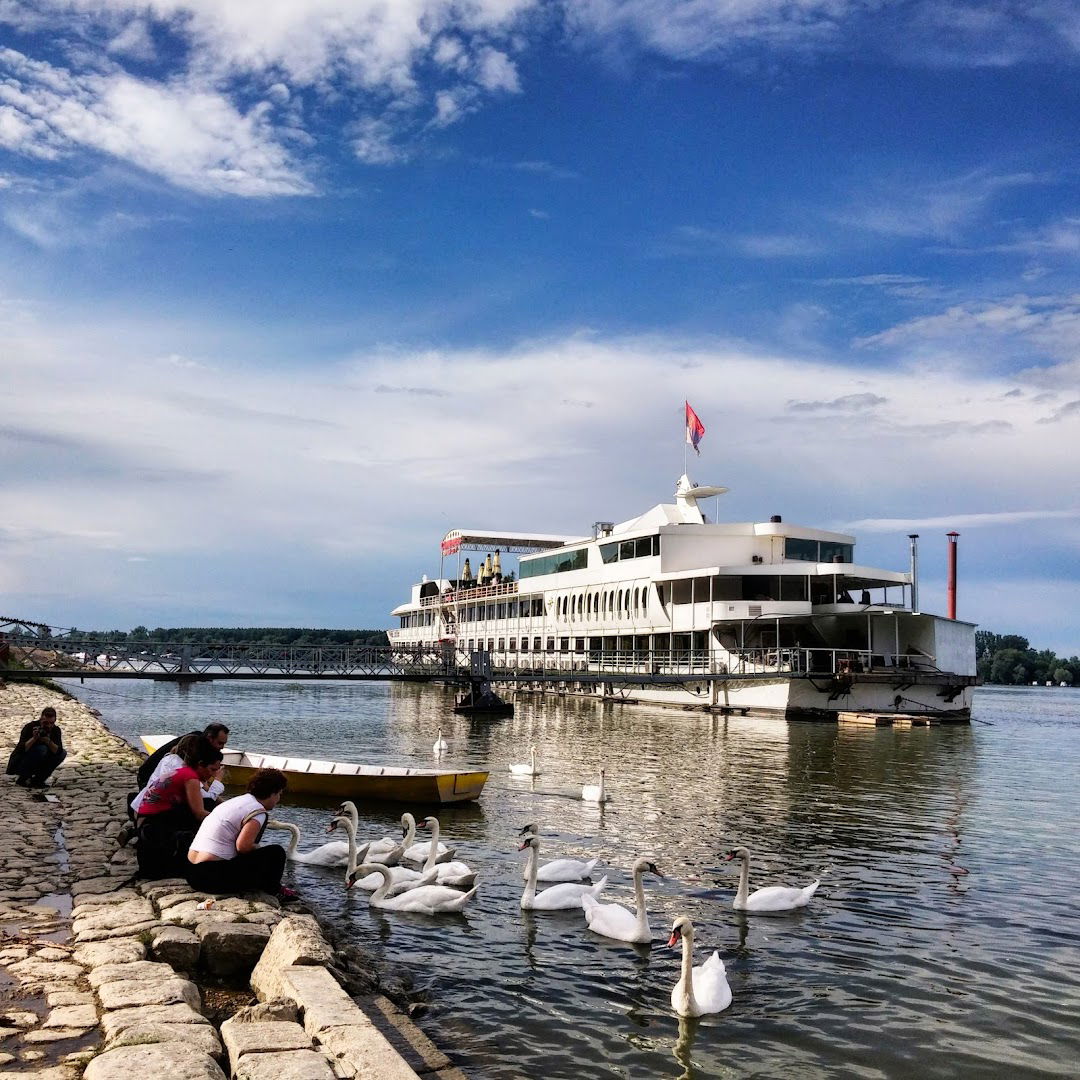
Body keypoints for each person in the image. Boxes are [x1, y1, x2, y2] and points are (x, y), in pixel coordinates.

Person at [186, 768, 296, 899]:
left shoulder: (236, 801)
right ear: (273, 793)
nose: (278, 799)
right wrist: (258, 848)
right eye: (279, 794)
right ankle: (274, 890)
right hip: (211, 878)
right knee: (276, 852)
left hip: (191, 872)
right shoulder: (258, 812)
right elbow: (243, 847)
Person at [135, 738, 222, 879]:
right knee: (208, 813)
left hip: (145, 820)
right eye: (212, 770)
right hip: (154, 825)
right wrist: (226, 822)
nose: (213, 775)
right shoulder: (191, 778)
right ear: (200, 765)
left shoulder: (182, 770)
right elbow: (199, 813)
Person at [136, 723, 229, 789]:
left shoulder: (197, 739)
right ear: (209, 738)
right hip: (148, 775)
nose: (222, 747)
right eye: (220, 743)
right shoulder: (196, 746)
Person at [6, 707, 67, 788]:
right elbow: (20, 750)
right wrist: (34, 738)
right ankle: (23, 778)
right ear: (40, 719)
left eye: (51, 723)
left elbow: (58, 752)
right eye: (46, 723)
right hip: (21, 762)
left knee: (63, 753)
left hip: (40, 762)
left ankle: (38, 780)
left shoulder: (55, 730)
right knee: (42, 749)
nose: (49, 726)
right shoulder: (30, 727)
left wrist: (48, 741)